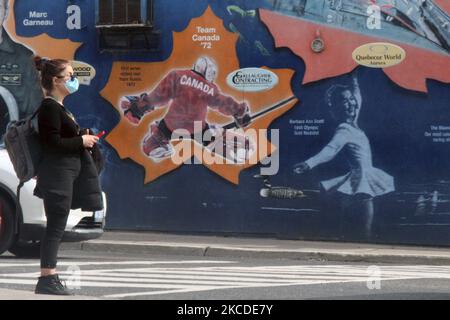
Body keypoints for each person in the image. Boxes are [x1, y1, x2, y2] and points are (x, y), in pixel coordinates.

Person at [293, 72, 395, 239]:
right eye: (345, 101)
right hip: (361, 178)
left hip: (361, 176)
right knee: (363, 229)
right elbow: (330, 149)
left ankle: (347, 235)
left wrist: (354, 78)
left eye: (351, 99)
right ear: (337, 107)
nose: (351, 103)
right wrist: (309, 163)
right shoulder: (344, 129)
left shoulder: (353, 123)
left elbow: (358, 98)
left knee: (355, 221)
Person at [33, 57, 103, 295]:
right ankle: (47, 278)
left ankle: (49, 277)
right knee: (55, 226)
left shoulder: (59, 108)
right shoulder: (49, 107)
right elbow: (51, 142)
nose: (74, 80)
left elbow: (59, 139)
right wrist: (80, 140)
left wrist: (82, 136)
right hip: (57, 176)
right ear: (56, 80)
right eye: (70, 76)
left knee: (57, 226)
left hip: (63, 175)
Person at [120, 56, 251, 162]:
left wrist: (141, 107)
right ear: (210, 74)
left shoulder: (177, 75)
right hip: (197, 129)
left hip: (171, 125)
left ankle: (155, 137)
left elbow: (159, 97)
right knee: (212, 138)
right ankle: (235, 145)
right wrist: (240, 112)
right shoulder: (211, 89)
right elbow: (224, 103)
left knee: (151, 145)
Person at [0, 0, 43, 119]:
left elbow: (35, 113)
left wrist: (19, 136)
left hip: (10, 135)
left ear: (6, 10)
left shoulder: (23, 57)